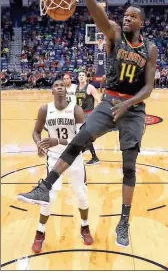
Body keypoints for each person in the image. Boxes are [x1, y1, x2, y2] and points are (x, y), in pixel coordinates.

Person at [17, 0, 158, 247]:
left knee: (129, 166)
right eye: (126, 15)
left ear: (142, 22)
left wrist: (129, 104)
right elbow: (92, 3)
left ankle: (124, 222)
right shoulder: (114, 34)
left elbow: (149, 88)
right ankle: (45, 187)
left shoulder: (150, 49)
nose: (127, 18)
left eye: (133, 17)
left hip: (133, 110)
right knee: (79, 139)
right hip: (109, 102)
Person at [22, 80, 93, 253]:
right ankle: (40, 233)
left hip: (74, 157)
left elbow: (83, 141)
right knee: (49, 197)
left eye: (62, 84)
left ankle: (85, 227)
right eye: (56, 85)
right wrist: (39, 143)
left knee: (81, 195)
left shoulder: (76, 110)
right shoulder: (45, 110)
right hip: (54, 158)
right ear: (52, 91)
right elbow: (36, 131)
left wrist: (58, 141)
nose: (60, 86)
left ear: (66, 90)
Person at [76, 70, 100, 165]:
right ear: (78, 77)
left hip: (88, 114)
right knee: (81, 136)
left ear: (86, 77)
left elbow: (98, 99)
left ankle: (94, 157)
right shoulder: (76, 88)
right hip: (79, 115)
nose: (81, 77)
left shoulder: (90, 87)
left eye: (83, 75)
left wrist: (96, 112)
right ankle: (85, 149)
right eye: (80, 75)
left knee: (85, 136)